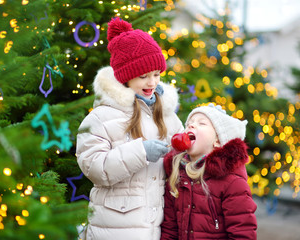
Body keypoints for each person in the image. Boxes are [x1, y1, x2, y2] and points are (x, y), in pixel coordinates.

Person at [76, 17, 184, 240]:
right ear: (125, 77)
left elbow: (184, 155)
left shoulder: (166, 116)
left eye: (156, 75)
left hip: (156, 226)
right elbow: (94, 167)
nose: (152, 83)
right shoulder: (101, 117)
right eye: (143, 76)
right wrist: (140, 152)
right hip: (114, 228)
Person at [161, 103, 257, 240]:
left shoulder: (232, 182)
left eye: (202, 123)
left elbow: (242, 233)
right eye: (189, 123)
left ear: (218, 140)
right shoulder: (177, 176)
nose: (191, 125)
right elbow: (169, 229)